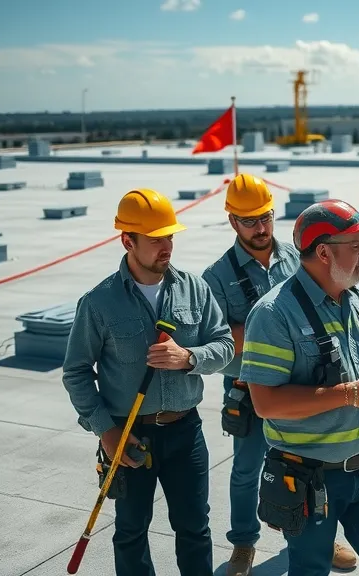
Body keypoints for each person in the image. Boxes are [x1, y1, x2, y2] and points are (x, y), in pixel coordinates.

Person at [238, 199, 359, 576]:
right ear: (323, 252)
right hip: (311, 478)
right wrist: (351, 394)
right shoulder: (274, 314)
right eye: (357, 245)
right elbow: (266, 403)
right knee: (310, 569)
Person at [62, 188, 235, 576]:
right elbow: (76, 372)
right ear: (128, 241)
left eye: (170, 236)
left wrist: (189, 357)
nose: (167, 246)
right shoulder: (99, 302)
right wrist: (106, 432)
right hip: (129, 436)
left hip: (185, 432)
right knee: (130, 531)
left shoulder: (194, 288)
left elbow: (225, 346)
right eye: (156, 239)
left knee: (194, 528)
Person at [200, 174, 358, 575]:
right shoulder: (216, 277)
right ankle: (243, 544)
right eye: (249, 221)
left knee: (312, 465)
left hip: (303, 383)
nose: (261, 228)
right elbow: (216, 339)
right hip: (250, 389)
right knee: (247, 469)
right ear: (232, 221)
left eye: (266, 218)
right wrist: (267, 325)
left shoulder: (295, 257)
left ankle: (322, 536)